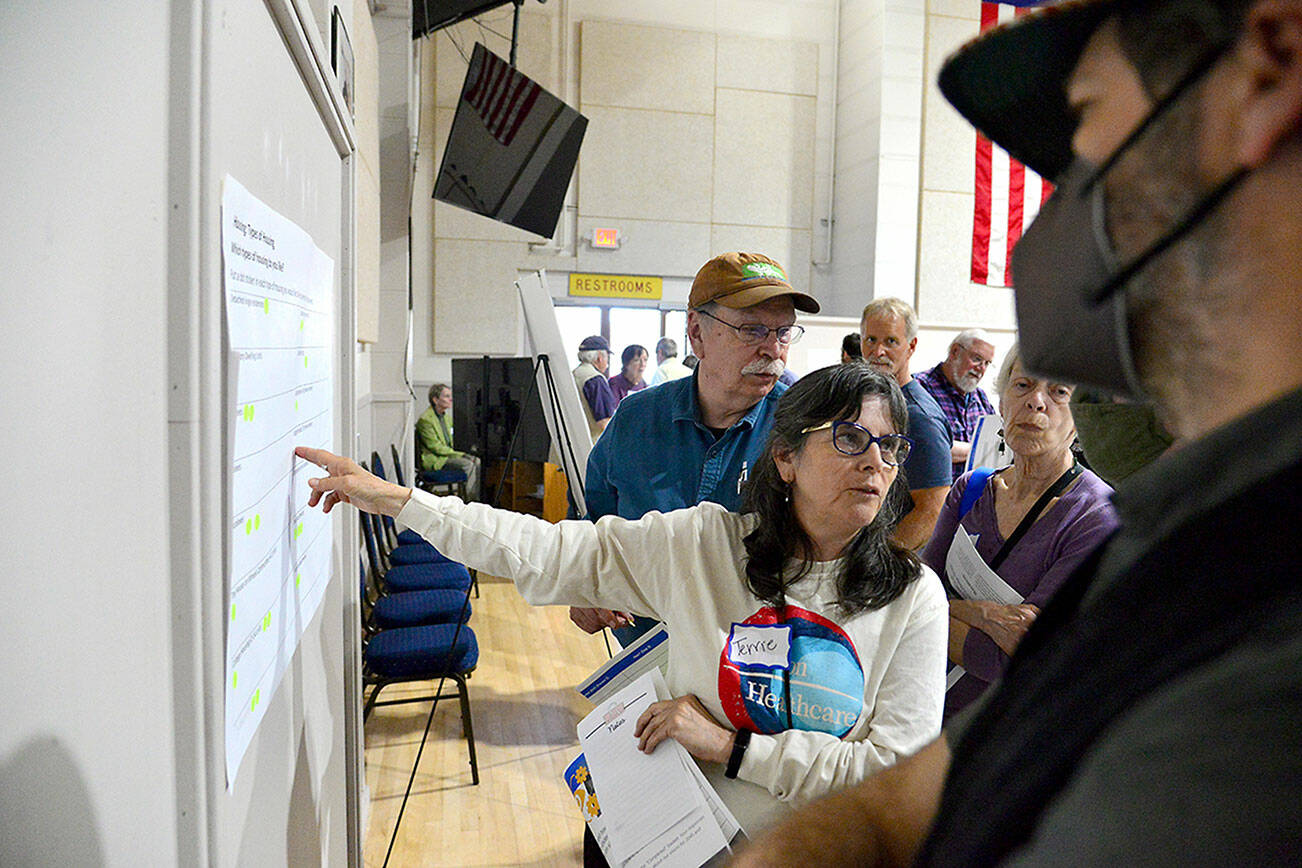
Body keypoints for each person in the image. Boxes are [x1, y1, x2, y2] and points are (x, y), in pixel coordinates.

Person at [732, 0, 1302, 863]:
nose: (1057, 205)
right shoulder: (1189, 538)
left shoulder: (1264, 680)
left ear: (1269, 70)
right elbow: (917, 797)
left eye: (1083, 121)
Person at [297, 364, 949, 838]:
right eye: (849, 438)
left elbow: (894, 773)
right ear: (784, 457)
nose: (875, 462)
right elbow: (548, 550)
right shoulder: (704, 545)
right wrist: (404, 503)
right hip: (671, 828)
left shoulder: (911, 596)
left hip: (808, 849)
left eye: (890, 446)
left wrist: (733, 748)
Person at [572, 252, 820, 646]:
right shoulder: (636, 420)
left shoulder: (802, 433)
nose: (773, 349)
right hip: (645, 654)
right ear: (697, 333)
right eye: (753, 330)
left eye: (784, 332)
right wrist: (583, 587)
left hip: (755, 667)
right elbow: (593, 527)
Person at [921, 345, 1119, 719]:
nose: (1036, 402)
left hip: (998, 735)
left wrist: (933, 616)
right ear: (1001, 402)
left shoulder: (1095, 517)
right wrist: (982, 615)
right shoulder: (971, 490)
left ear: (1080, 418)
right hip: (921, 714)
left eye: (1059, 392)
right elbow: (911, 599)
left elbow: (1015, 661)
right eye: (1023, 385)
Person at [859, 298, 953, 551]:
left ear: (910, 347)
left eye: (890, 341)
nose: (878, 351)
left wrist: (879, 562)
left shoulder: (920, 418)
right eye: (871, 340)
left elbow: (932, 511)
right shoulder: (873, 402)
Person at [914, 329, 997, 480]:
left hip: (975, 496)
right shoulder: (919, 389)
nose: (981, 368)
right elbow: (927, 448)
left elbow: (997, 446)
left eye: (987, 363)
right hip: (934, 496)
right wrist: (980, 451)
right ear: (955, 352)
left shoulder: (980, 398)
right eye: (977, 359)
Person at [415, 382, 480, 499]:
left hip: (447, 455)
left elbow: (454, 439)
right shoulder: (425, 420)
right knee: (468, 464)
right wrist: (461, 454)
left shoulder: (447, 417)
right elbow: (436, 447)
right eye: (446, 396)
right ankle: (470, 499)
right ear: (435, 400)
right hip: (436, 459)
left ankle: (475, 496)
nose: (450, 399)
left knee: (477, 460)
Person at [572, 335, 618, 440]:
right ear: (599, 357)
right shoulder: (595, 380)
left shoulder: (573, 374)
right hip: (591, 444)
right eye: (607, 357)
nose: (607, 363)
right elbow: (604, 423)